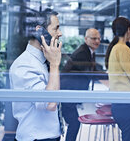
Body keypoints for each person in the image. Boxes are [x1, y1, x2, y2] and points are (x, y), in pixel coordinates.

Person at [9, 9, 63, 141]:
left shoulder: (45, 60)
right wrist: (55, 65)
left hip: (48, 136)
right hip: (36, 138)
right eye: (56, 29)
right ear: (40, 31)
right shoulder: (24, 65)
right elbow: (50, 103)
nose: (60, 34)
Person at [60, 28, 101, 141]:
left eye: (98, 38)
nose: (97, 41)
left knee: (73, 123)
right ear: (86, 39)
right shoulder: (83, 53)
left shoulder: (89, 51)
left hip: (69, 94)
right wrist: (110, 77)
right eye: (93, 38)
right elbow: (91, 72)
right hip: (66, 94)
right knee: (74, 123)